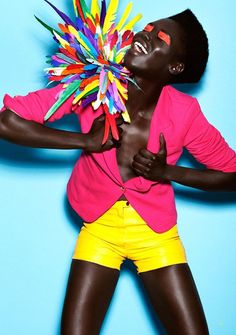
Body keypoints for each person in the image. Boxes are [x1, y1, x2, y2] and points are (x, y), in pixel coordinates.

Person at [0, 8, 236, 335]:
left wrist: (167, 172)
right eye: (147, 29)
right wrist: (84, 140)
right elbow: (7, 121)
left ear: (175, 67)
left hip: (155, 235)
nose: (144, 36)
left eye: (160, 38)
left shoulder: (186, 113)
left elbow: (232, 175)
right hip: (99, 229)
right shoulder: (91, 88)